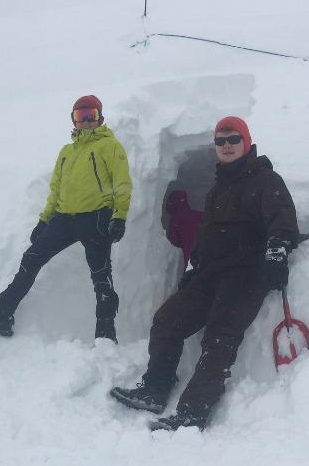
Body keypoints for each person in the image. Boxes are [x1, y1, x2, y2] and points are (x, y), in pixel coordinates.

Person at [111, 116, 298, 431]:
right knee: (167, 321)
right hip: (209, 274)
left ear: (246, 142)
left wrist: (276, 256)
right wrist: (193, 267)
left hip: (245, 275)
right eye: (220, 140)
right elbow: (205, 236)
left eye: (233, 139)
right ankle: (156, 388)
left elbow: (282, 220)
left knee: (219, 337)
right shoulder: (218, 187)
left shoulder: (266, 180)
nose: (226, 146)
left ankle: (192, 413)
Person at [0, 94, 133, 340]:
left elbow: (122, 183)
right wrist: (45, 220)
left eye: (92, 116)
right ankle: (0, 315)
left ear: (101, 119)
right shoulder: (66, 152)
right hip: (64, 219)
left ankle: (105, 334)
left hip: (96, 218)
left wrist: (119, 216)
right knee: (31, 259)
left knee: (101, 277)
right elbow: (56, 190)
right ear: (73, 121)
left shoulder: (109, 146)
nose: (86, 121)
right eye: (81, 116)